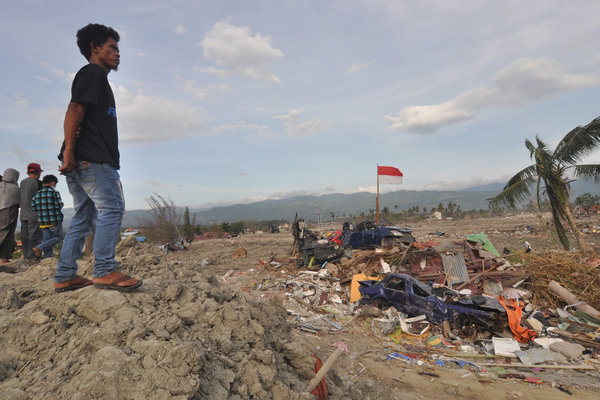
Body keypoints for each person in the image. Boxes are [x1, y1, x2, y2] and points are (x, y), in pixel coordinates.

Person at [55, 23, 142, 292]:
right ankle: (104, 270)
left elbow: (82, 113)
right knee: (112, 208)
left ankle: (65, 275)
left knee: (83, 217)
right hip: (91, 160)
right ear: (95, 48)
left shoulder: (97, 78)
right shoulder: (93, 73)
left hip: (82, 161)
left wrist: (70, 152)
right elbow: (74, 108)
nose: (118, 54)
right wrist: (70, 151)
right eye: (112, 48)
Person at [31, 175, 64, 259]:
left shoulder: (37, 194)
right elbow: (59, 205)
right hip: (54, 221)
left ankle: (48, 259)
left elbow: (33, 207)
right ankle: (39, 247)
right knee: (59, 237)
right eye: (55, 184)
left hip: (43, 222)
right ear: (52, 182)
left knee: (47, 240)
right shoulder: (54, 192)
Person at [20, 162, 43, 259]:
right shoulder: (39, 183)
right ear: (39, 173)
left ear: (28, 173)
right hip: (34, 215)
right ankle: (32, 258)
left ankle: (26, 257)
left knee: (24, 237)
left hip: (23, 214)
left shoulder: (22, 182)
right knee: (34, 237)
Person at [0, 168, 20, 271]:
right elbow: (20, 203)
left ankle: (4, 260)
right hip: (8, 214)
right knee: (6, 237)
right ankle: (4, 259)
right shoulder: (15, 188)